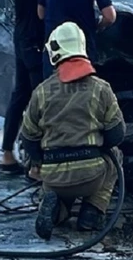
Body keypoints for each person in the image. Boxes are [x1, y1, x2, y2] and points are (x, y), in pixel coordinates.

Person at [20, 22, 125, 240]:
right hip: (92, 175)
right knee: (116, 155)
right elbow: (117, 134)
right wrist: (97, 146)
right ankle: (92, 211)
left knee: (59, 191)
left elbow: (28, 138)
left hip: (53, 177)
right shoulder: (101, 88)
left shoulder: (41, 91)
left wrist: (39, 162)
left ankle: (56, 210)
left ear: (55, 53)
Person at [0, 0, 50, 174]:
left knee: (20, 95)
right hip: (33, 32)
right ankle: (36, 162)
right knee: (39, 96)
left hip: (20, 29)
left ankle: (8, 153)